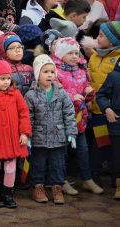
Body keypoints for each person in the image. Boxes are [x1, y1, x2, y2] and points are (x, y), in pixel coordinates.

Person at [53, 37, 104, 194]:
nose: (75, 56)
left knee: (83, 150)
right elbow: (55, 92)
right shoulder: (55, 72)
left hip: (79, 119)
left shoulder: (82, 72)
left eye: (76, 53)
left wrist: (89, 93)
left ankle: (87, 179)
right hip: (61, 120)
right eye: (70, 53)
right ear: (61, 55)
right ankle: (62, 181)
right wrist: (71, 97)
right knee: (63, 152)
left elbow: (86, 93)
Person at [25, 54, 77, 204]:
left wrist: (71, 133)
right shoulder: (31, 95)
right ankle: (38, 187)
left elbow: (69, 113)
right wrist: (27, 135)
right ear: (37, 74)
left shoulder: (61, 93)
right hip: (39, 138)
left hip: (58, 137)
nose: (49, 75)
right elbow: (28, 117)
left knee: (58, 164)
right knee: (38, 164)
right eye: (45, 71)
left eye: (52, 72)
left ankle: (57, 188)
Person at [0, 60, 32, 209]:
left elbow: (24, 113)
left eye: (8, 78)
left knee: (11, 166)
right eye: (2, 79)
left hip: (11, 138)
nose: (6, 82)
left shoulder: (15, 94)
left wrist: (24, 133)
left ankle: (8, 192)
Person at [88, 21, 120, 188]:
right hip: (97, 109)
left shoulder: (118, 59)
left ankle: (115, 179)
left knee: (114, 147)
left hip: (113, 112)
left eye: (101, 35)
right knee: (98, 144)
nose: (97, 38)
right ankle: (95, 176)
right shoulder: (94, 55)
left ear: (113, 39)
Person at [96, 61, 120, 200]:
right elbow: (101, 95)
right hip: (117, 121)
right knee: (117, 157)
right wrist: (107, 108)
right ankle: (118, 184)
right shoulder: (114, 76)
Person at [0, 32, 34, 97]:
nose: (18, 50)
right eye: (12, 48)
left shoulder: (29, 69)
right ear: (3, 52)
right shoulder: (0, 71)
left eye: (19, 47)